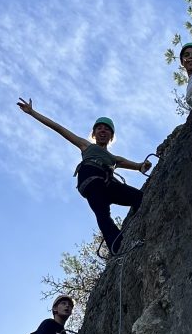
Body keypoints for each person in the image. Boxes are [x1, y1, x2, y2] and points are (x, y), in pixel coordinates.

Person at [17, 100, 151, 254]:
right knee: (102, 214)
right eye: (99, 128)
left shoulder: (114, 158)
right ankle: (119, 247)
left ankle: (119, 246)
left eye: (107, 129)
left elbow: (137, 166)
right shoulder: (87, 146)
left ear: (111, 136)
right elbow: (59, 129)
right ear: (93, 134)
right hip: (92, 180)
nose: (102, 131)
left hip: (105, 184)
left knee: (137, 198)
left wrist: (142, 166)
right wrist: (33, 113)